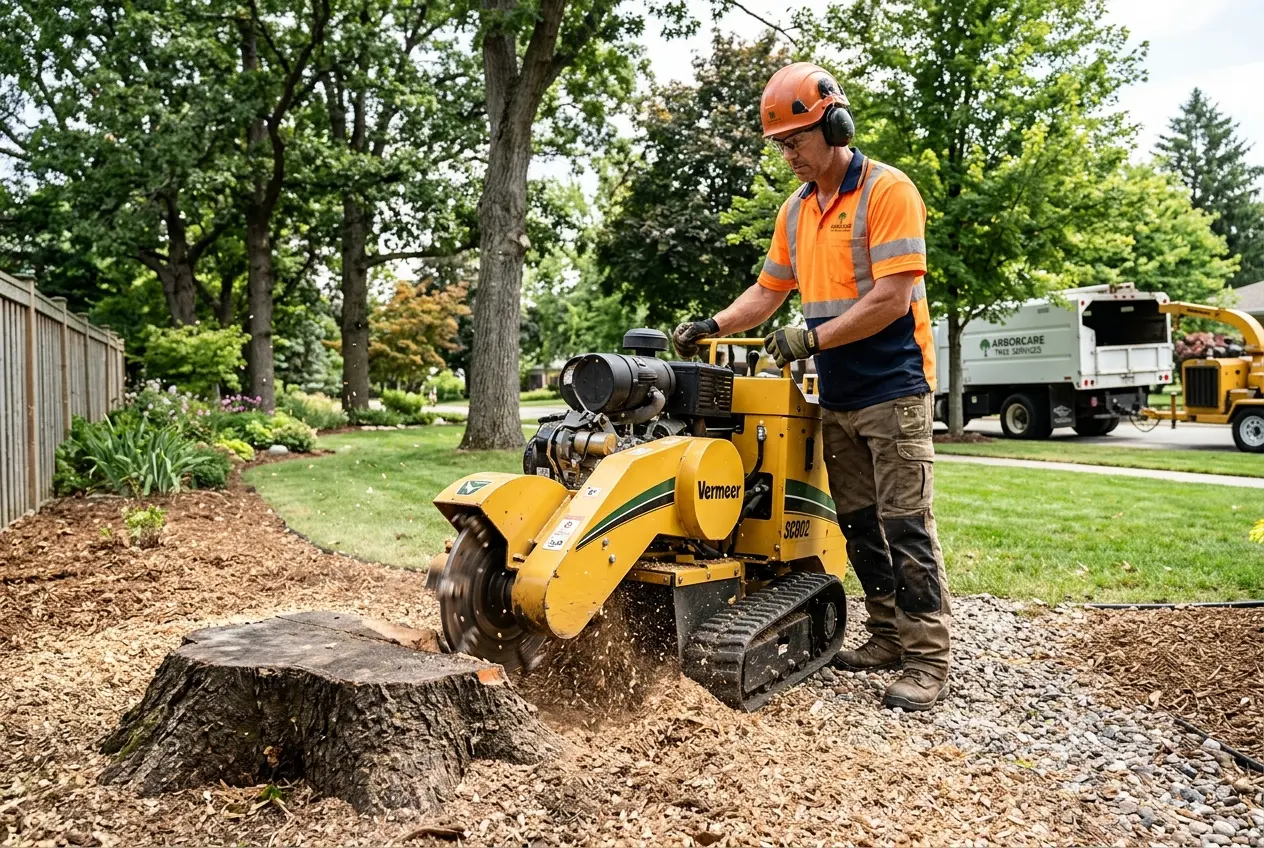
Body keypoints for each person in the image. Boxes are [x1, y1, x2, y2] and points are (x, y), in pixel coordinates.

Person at [671, 62, 951, 711]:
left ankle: (928, 657)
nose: (788, 154)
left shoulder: (888, 191)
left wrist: (813, 339)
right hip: (838, 394)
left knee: (905, 524)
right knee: (856, 525)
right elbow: (768, 294)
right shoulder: (795, 211)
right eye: (781, 145)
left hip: (897, 386)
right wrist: (713, 324)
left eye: (796, 140)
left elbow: (891, 297)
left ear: (835, 125)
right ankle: (884, 634)